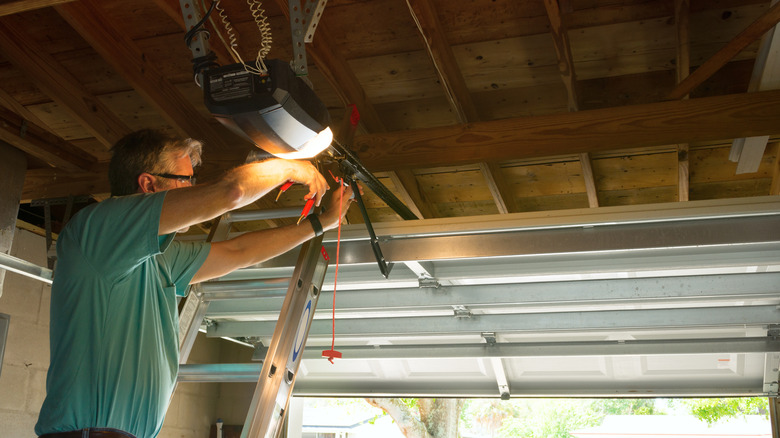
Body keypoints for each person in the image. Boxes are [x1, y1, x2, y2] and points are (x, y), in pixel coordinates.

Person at [34, 129, 355, 438]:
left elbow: (238, 251)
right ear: (148, 184)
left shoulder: (160, 257)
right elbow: (232, 192)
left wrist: (320, 223)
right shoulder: (97, 230)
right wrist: (291, 167)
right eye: (186, 180)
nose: (192, 189)